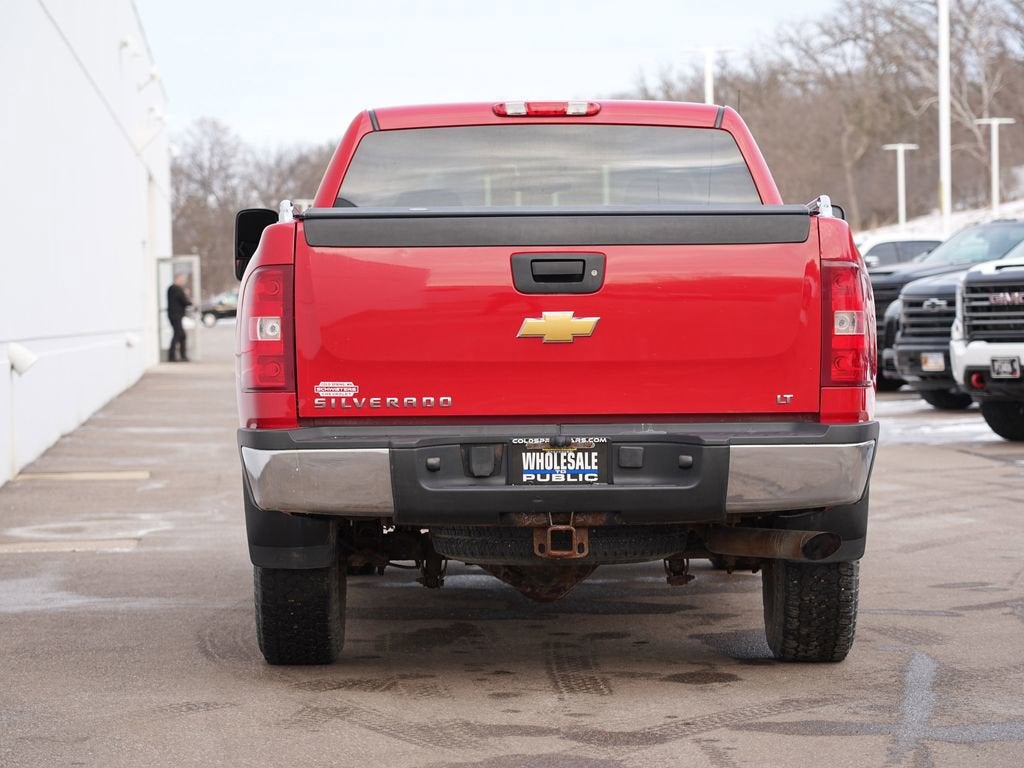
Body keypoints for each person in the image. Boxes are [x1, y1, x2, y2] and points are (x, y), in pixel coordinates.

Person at [167, 274, 193, 362]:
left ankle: (180, 355)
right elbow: (185, 302)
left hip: (174, 315)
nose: (183, 282)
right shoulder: (177, 289)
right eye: (182, 280)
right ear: (177, 279)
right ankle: (173, 356)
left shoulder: (171, 289)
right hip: (176, 316)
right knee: (178, 335)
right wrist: (186, 295)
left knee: (181, 335)